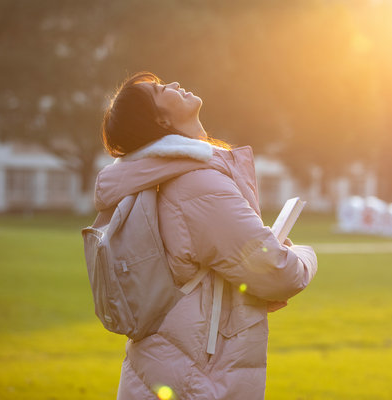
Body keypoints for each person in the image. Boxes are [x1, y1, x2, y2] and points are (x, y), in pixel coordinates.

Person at [96, 71, 318, 399]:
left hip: (174, 371)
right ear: (159, 119)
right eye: (159, 90)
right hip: (196, 381)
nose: (172, 83)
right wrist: (306, 255)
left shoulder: (170, 178)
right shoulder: (196, 184)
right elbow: (278, 272)